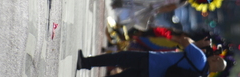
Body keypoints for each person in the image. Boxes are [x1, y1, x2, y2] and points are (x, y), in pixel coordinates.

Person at [76, 35, 226, 76]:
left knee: (119, 58)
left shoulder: (200, 58)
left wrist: (201, 44)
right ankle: (85, 63)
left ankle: (86, 63)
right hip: (153, 74)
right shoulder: (201, 75)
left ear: (217, 59)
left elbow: (184, 40)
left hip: (152, 61)